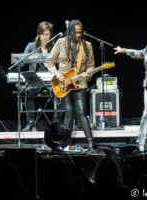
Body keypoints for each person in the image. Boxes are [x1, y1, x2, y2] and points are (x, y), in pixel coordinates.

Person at [46, 20, 95, 148]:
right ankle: (66, 144)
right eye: (76, 33)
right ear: (70, 32)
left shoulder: (87, 45)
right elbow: (50, 61)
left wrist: (88, 73)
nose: (79, 35)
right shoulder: (61, 42)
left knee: (81, 113)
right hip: (64, 83)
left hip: (80, 82)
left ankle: (90, 143)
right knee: (69, 113)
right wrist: (56, 74)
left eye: (80, 33)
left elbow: (91, 66)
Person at [23, 21, 63, 131]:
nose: (44, 37)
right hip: (35, 80)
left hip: (50, 79)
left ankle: (58, 121)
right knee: (28, 91)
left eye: (47, 34)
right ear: (38, 34)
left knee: (59, 91)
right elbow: (22, 59)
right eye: (42, 34)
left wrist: (50, 63)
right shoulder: (31, 46)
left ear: (50, 34)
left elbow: (63, 61)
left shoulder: (55, 47)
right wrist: (36, 58)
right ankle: (30, 122)